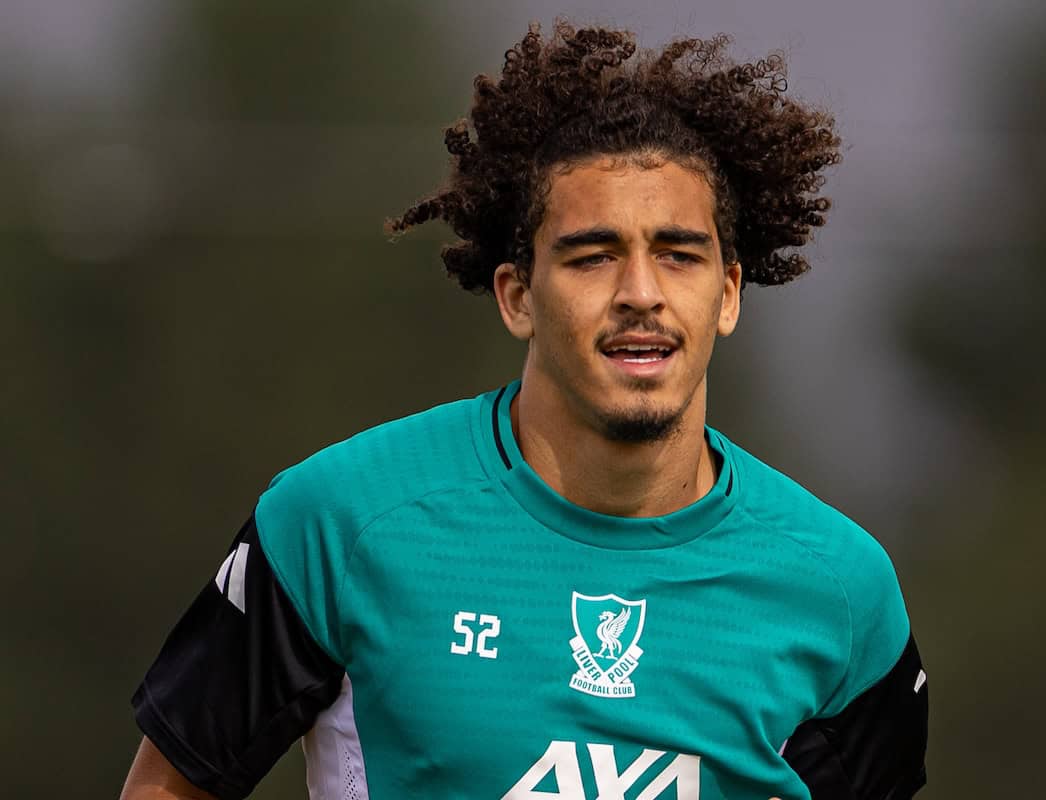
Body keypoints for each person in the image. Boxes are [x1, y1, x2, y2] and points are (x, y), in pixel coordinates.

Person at [120, 21, 928, 800]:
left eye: (678, 255)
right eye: (593, 256)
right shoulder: (338, 522)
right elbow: (170, 785)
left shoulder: (841, 591)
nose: (640, 294)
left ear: (727, 294)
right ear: (517, 296)